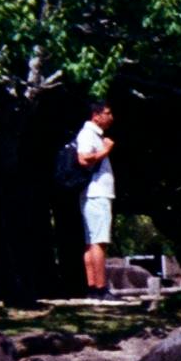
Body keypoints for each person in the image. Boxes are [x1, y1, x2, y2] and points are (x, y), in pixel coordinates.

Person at [72, 103, 116, 297]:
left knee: (92, 242)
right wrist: (105, 150)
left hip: (94, 193)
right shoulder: (88, 134)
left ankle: (92, 287)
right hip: (96, 193)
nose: (111, 117)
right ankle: (100, 288)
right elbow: (83, 159)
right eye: (107, 113)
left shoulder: (93, 134)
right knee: (99, 241)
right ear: (96, 115)